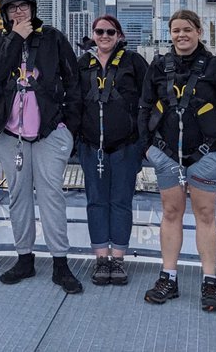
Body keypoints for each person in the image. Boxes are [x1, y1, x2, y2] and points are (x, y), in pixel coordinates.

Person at [0, 0, 84, 295]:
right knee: (18, 196)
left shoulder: (53, 38)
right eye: (11, 7)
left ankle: (60, 263)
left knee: (52, 194)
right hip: (10, 134)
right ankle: (24, 258)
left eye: (23, 5)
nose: (18, 11)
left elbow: (74, 81)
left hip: (49, 131)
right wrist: (16, 38)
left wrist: (68, 125)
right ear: (4, 13)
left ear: (33, 8)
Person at [138, 9, 216, 312]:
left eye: (187, 30)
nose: (181, 35)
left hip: (206, 156)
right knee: (170, 213)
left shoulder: (215, 68)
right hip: (167, 155)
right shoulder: (158, 66)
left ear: (198, 32)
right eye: (176, 30)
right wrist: (147, 148)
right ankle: (168, 277)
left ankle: (209, 282)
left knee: (205, 214)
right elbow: (144, 106)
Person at [75, 15, 148, 287]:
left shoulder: (134, 62)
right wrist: (76, 140)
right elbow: (73, 101)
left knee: (120, 201)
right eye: (99, 31)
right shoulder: (83, 64)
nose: (104, 36)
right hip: (90, 144)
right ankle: (101, 259)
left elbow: (148, 99)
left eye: (110, 32)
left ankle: (118, 258)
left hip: (126, 145)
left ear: (119, 35)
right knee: (96, 202)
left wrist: (142, 142)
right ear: (93, 34)